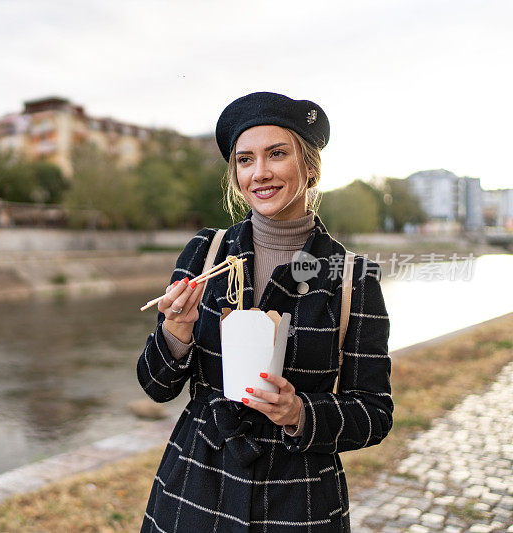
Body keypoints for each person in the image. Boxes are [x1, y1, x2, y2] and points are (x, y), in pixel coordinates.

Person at [136, 91, 392, 532]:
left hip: (300, 500)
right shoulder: (206, 252)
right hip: (194, 490)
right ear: (235, 173)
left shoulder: (353, 277)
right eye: (245, 159)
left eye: (276, 154)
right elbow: (156, 387)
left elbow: (374, 413)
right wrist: (175, 333)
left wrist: (300, 413)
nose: (260, 173)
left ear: (309, 166)